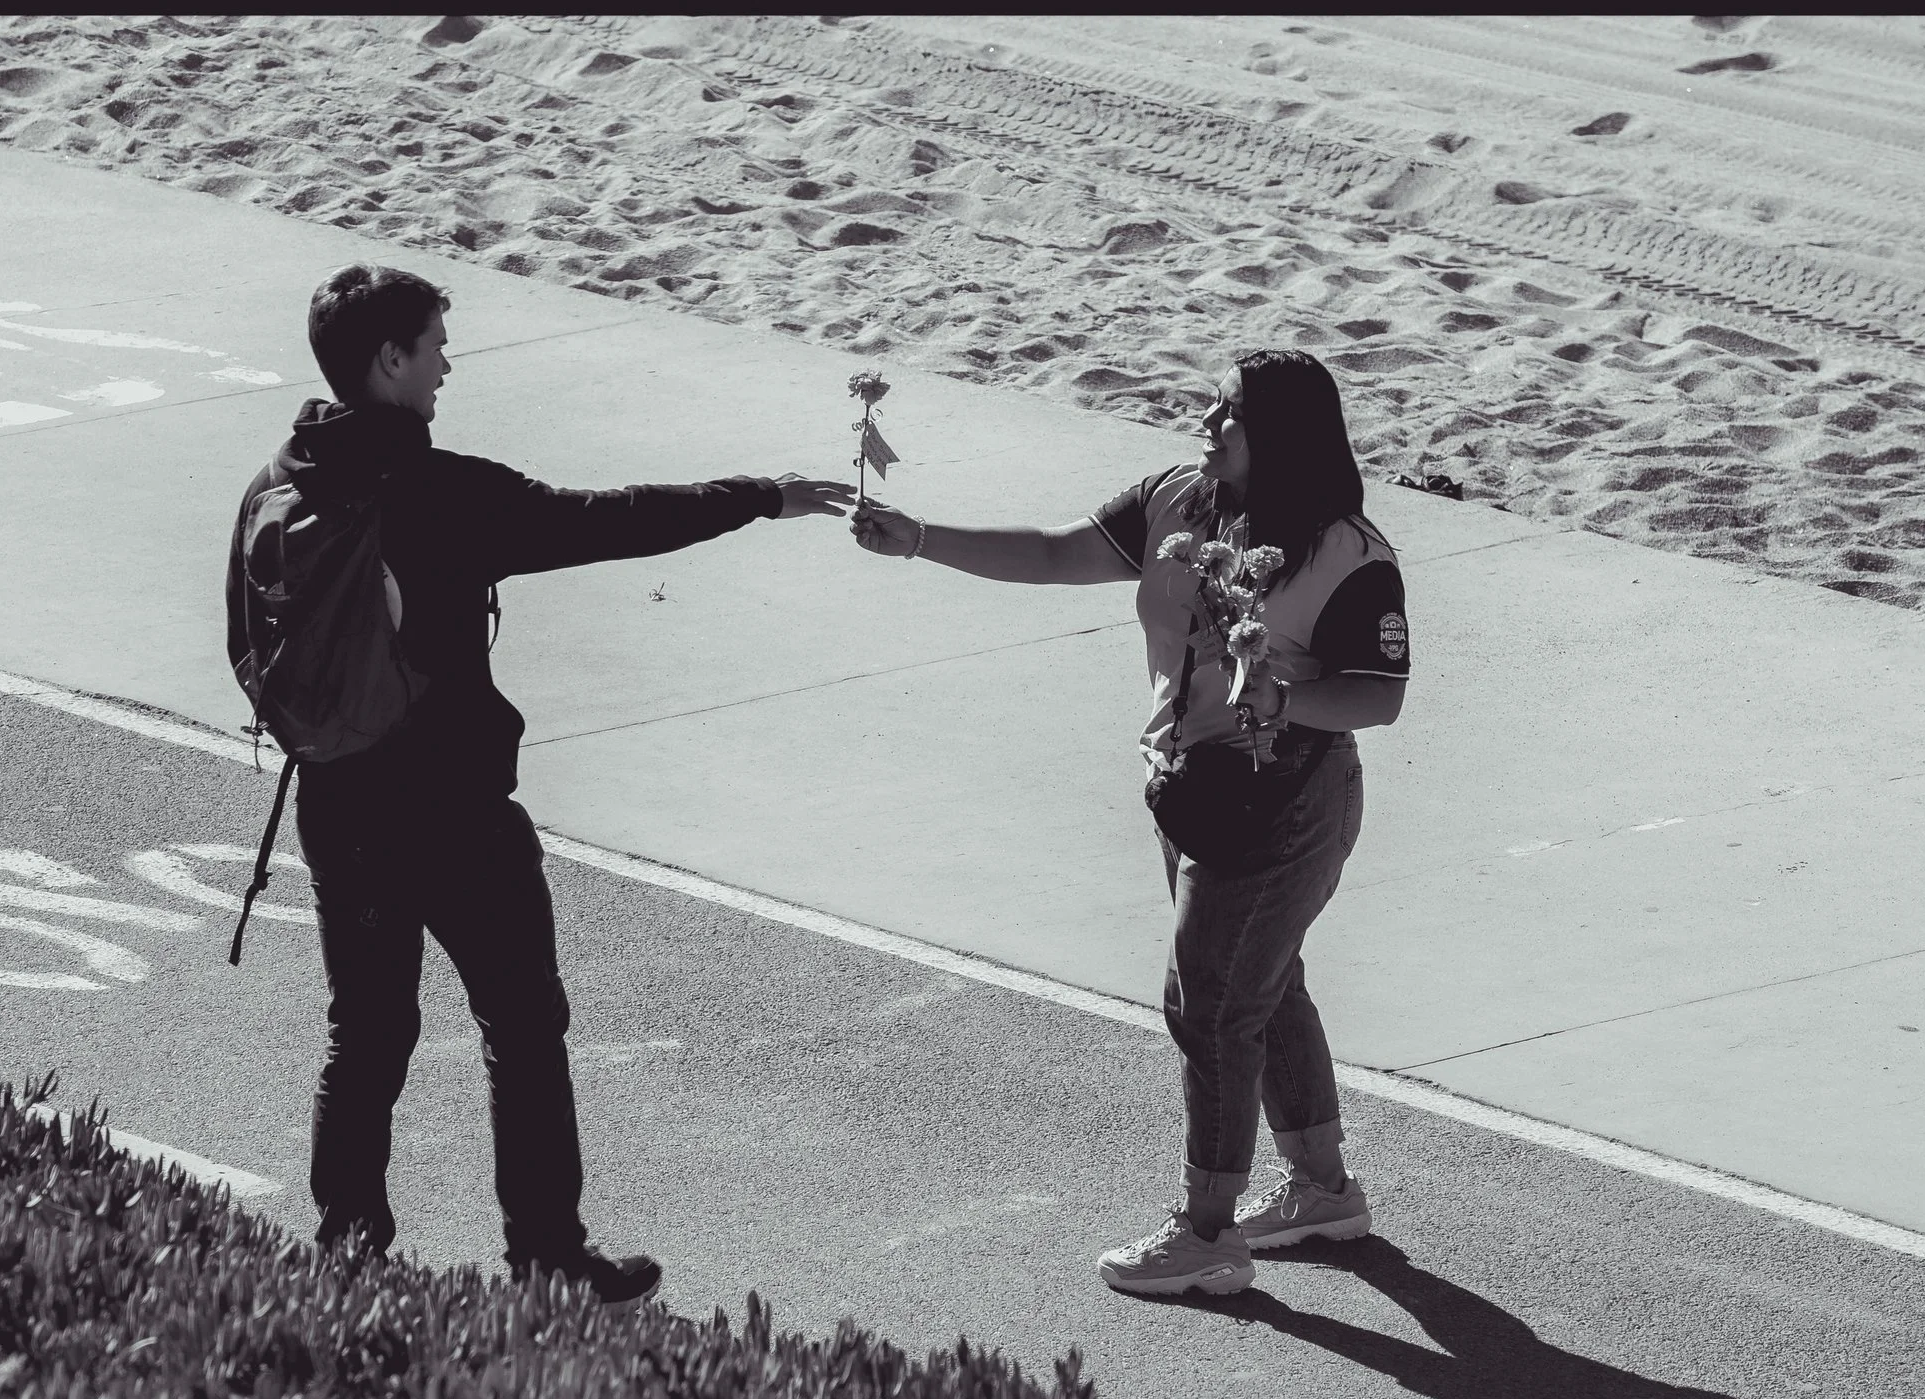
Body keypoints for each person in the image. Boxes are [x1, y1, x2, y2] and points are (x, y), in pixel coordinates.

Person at [232, 263, 855, 1305]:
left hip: (336, 800)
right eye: (433, 344)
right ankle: (547, 1256)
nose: (446, 364)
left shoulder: (279, 482)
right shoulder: (438, 492)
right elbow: (601, 519)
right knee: (520, 1023)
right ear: (388, 360)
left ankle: (345, 1251)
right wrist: (758, 496)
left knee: (368, 1028)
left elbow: (257, 648)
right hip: (454, 810)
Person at [849, 348, 1409, 1297]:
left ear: (1278, 438)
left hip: (1292, 795)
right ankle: (1322, 1190)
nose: (1207, 419)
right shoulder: (1177, 501)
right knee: (1258, 984)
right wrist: (919, 538)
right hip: (1191, 786)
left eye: (1229, 412)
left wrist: (1275, 700)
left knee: (1210, 1004)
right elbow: (1059, 550)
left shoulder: (1352, 553)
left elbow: (1378, 697)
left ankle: (1206, 1232)